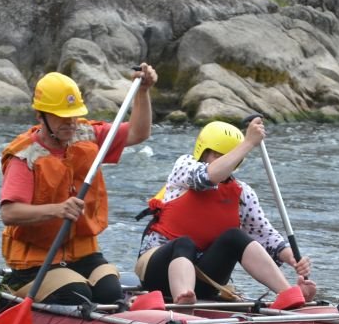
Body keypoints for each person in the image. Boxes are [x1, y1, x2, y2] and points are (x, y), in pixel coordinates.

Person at [0, 65, 157, 305]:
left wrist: (143, 91)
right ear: (40, 116)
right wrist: (57, 209)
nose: (70, 122)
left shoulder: (88, 134)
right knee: (76, 294)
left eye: (73, 114)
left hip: (83, 254)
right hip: (37, 262)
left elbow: (139, 132)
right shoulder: (25, 156)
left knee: (111, 293)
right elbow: (9, 213)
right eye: (61, 117)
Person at [134, 117, 317, 306]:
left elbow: (267, 237)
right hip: (158, 271)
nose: (225, 161)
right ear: (203, 152)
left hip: (206, 278)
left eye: (229, 156)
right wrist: (248, 143)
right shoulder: (184, 166)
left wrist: (294, 260)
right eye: (217, 155)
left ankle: (289, 294)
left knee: (235, 236)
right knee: (184, 243)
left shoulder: (242, 193)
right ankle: (184, 301)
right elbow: (207, 177)